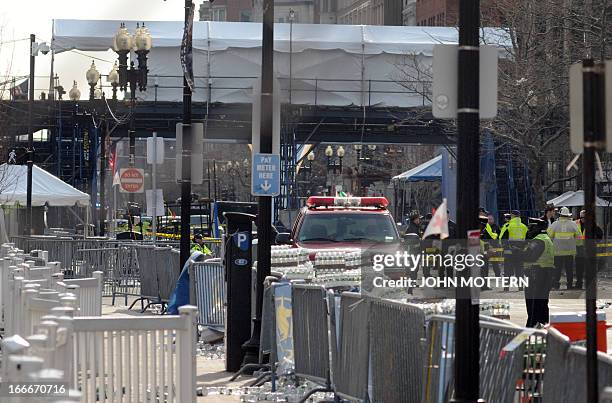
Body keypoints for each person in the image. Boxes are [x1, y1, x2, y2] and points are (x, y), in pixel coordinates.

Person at [521, 217, 554, 327]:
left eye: (531, 228)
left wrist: (517, 253)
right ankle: (543, 323)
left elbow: (530, 257)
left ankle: (532, 325)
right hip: (545, 273)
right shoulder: (545, 238)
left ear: (537, 228)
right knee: (542, 302)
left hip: (537, 274)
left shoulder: (538, 240)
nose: (529, 230)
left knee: (533, 302)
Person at [548, 206, 581, 290]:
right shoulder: (573, 224)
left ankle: (556, 285)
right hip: (569, 251)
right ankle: (569, 285)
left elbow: (549, 236)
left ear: (560, 214)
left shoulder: (555, 224)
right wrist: (575, 244)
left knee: (557, 269)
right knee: (569, 269)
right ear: (568, 215)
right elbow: (579, 236)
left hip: (557, 251)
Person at [499, 210, 528, 290]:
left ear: (512, 216)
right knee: (520, 269)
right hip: (520, 252)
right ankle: (520, 287)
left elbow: (501, 238)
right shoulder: (524, 226)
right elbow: (527, 240)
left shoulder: (508, 226)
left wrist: (504, 246)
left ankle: (506, 287)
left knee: (507, 270)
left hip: (509, 252)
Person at [574, 209, 603, 289]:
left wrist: (595, 242)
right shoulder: (575, 223)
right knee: (579, 268)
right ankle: (579, 284)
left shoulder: (592, 225)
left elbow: (600, 234)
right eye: (582, 217)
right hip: (579, 248)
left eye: (585, 217)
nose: (583, 219)